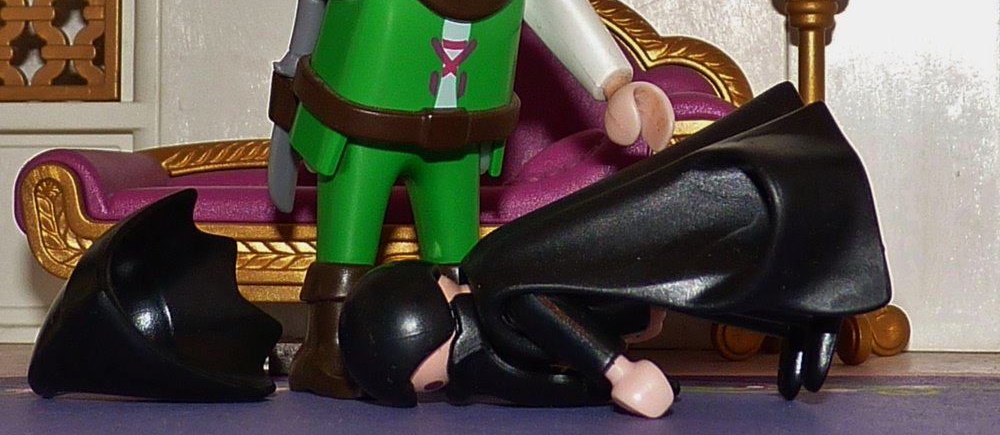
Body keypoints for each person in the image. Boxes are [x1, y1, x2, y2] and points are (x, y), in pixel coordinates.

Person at [339, 83, 893, 417]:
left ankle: (809, 312)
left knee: (707, 269)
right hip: (619, 278)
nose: (445, 387)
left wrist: (619, 372)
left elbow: (548, 316)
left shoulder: (500, 298)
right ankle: (799, 323)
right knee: (701, 284)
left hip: (640, 245)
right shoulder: (488, 290)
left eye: (432, 382)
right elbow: (547, 379)